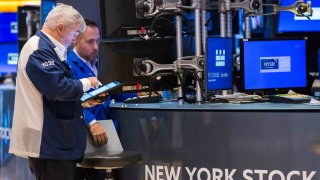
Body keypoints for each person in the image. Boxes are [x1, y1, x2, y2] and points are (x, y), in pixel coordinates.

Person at [8, 4, 100, 180]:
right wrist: (88, 82)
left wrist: (80, 101)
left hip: (57, 143)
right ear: (60, 28)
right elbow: (59, 88)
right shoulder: (39, 50)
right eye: (74, 34)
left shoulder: (50, 49)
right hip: (47, 144)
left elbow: (54, 93)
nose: (74, 40)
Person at [67, 19, 135, 180]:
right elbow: (70, 101)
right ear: (75, 39)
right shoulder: (68, 65)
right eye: (90, 42)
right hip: (80, 139)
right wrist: (91, 122)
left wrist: (140, 96)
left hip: (106, 138)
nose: (96, 47)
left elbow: (117, 91)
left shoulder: (103, 63)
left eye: (98, 41)